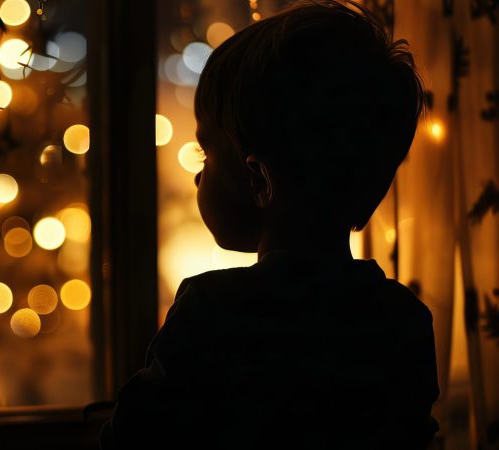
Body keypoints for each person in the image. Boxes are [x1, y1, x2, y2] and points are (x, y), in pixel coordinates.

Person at [100, 1, 439, 448]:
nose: (198, 176)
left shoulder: (211, 312)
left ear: (260, 180)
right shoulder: (403, 319)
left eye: (206, 153)